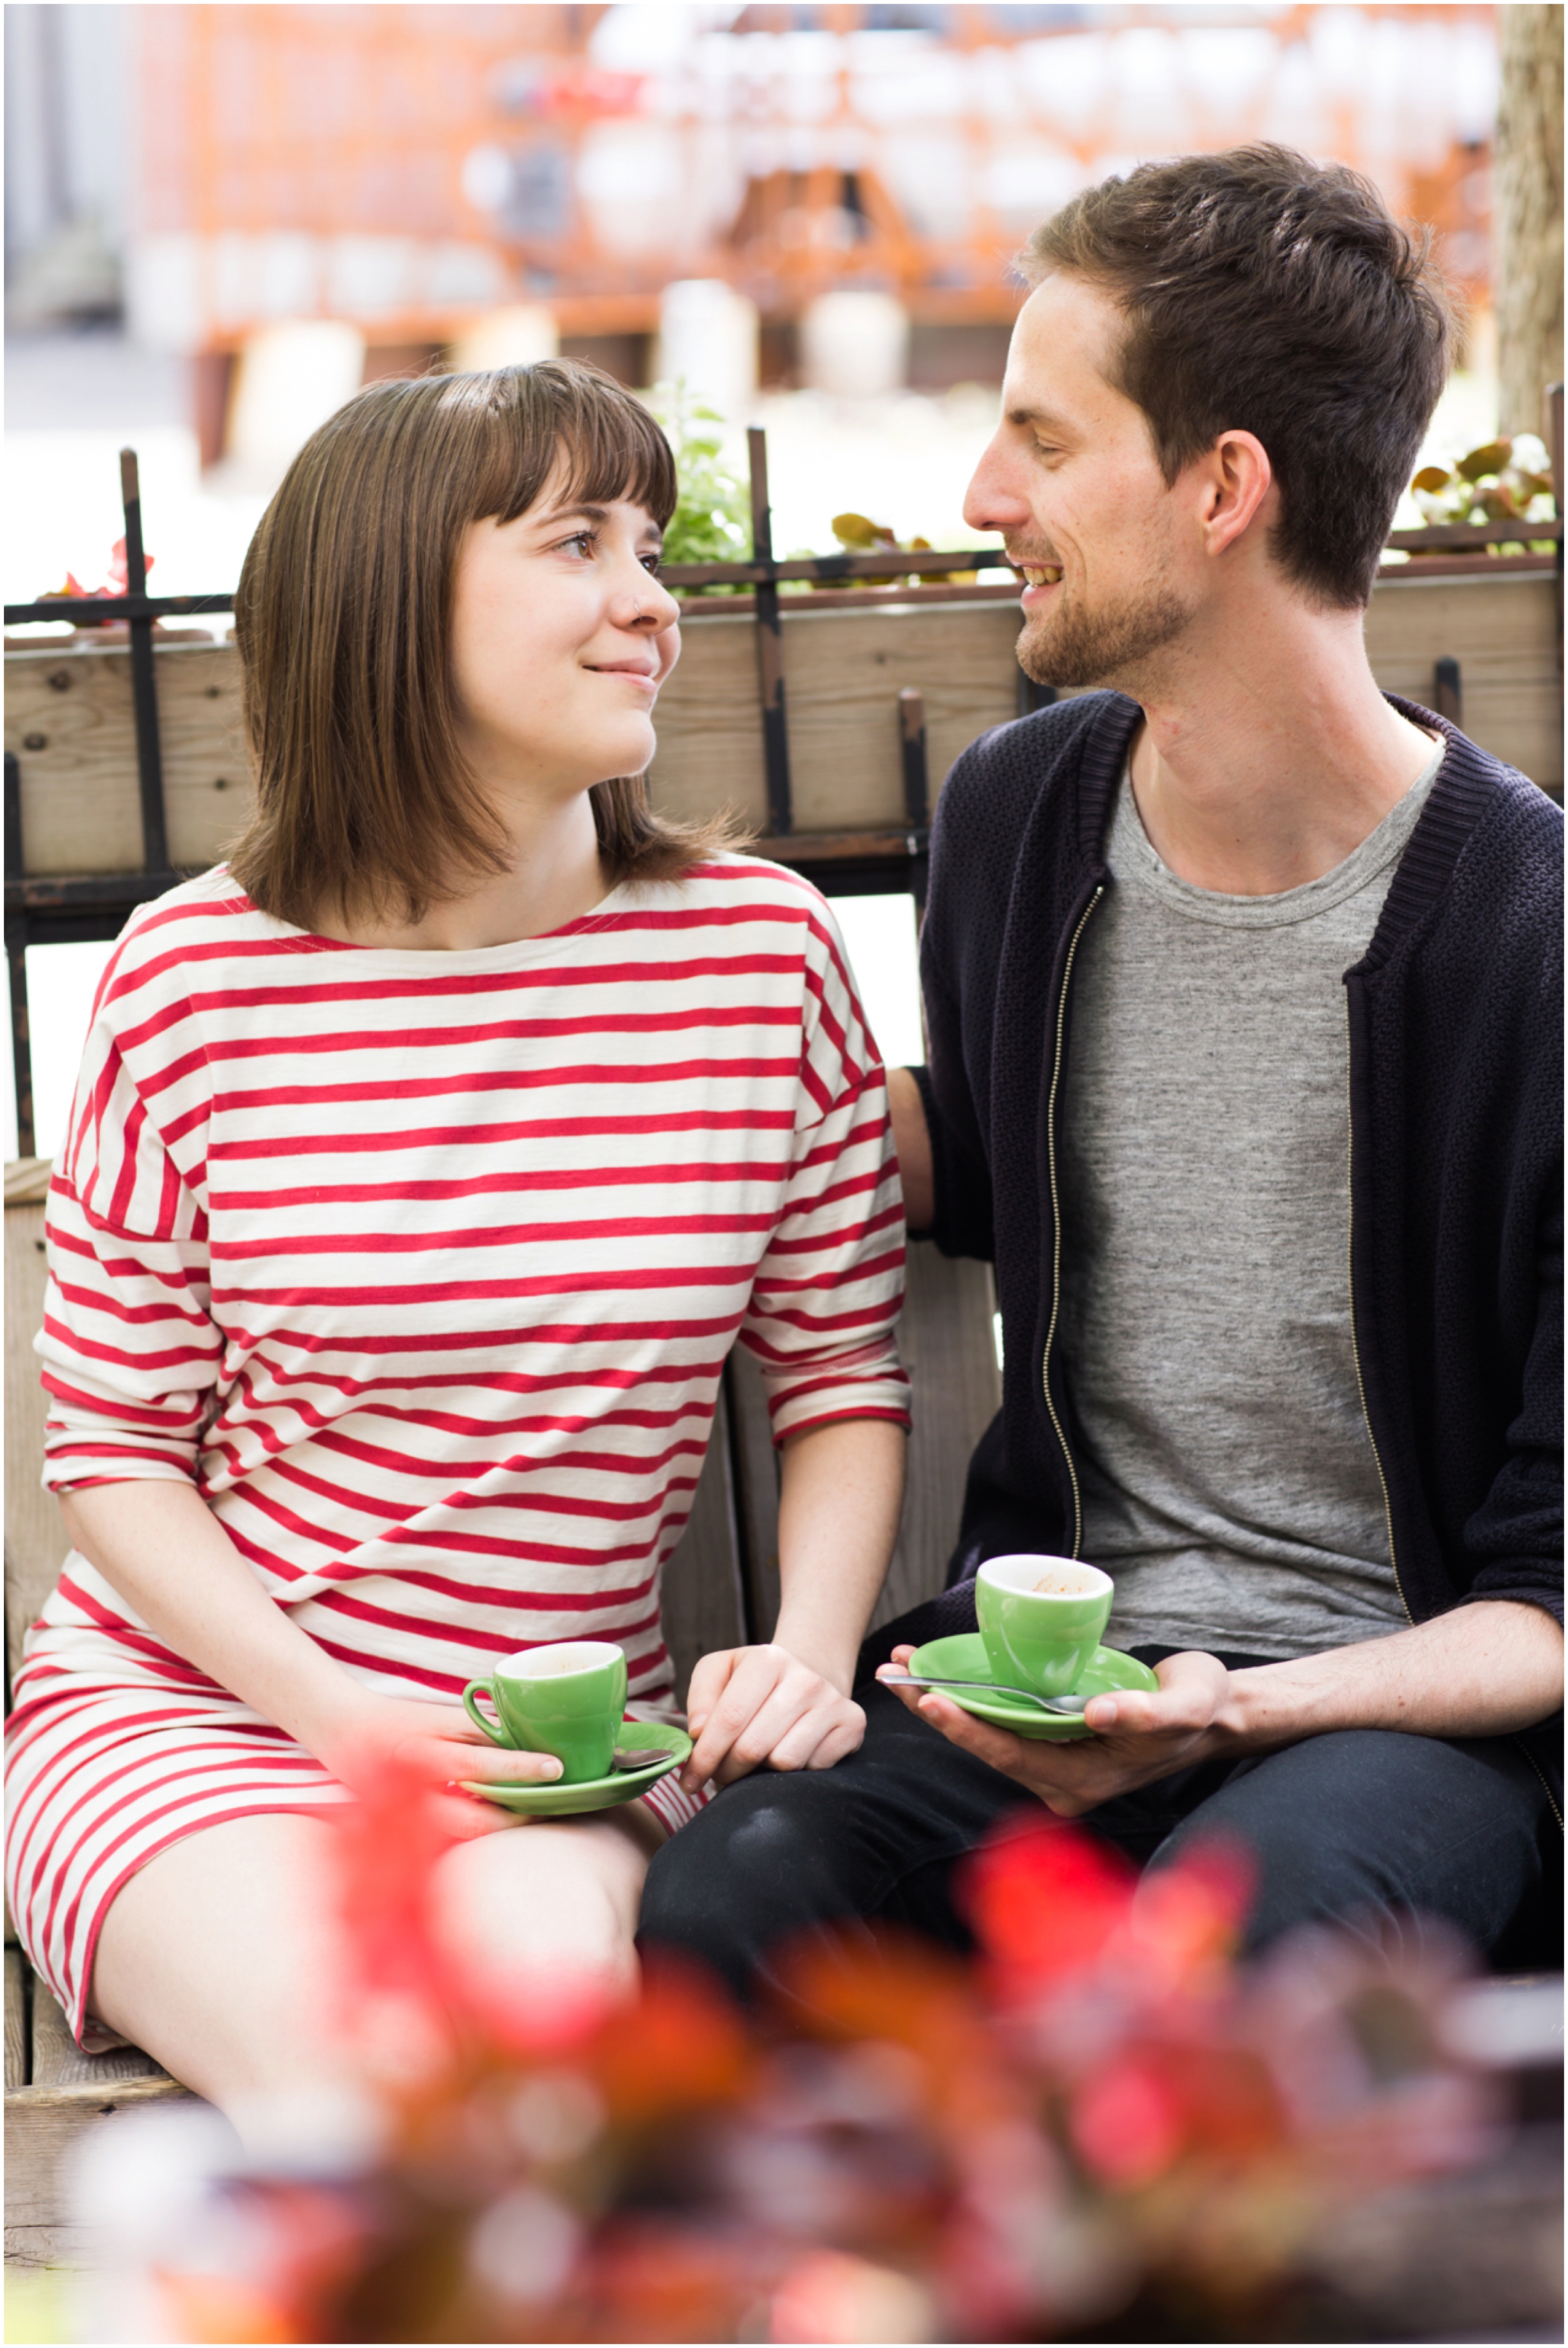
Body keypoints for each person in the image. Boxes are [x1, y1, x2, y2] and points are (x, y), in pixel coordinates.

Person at [638, 146, 1563, 2001]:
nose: (986, 496)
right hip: (1038, 1669)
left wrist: (1236, 1710)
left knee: (1226, 1960)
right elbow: (973, 1159)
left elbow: (1550, 1603)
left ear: (1226, 488)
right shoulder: (1023, 817)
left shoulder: (1528, 932)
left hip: (1393, 1719)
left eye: (1044, 443)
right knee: (730, 1899)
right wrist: (618, 1041)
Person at [4, 361, 909, 2127]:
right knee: (382, 2104)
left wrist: (805, 1650)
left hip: (559, 1747)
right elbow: (114, 1449)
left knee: (532, 2095)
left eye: (650, 545)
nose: (652, 600)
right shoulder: (196, 984)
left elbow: (841, 1371)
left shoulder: (758, 958)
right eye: (579, 542)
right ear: (392, 597)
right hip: (201, 1718)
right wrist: (342, 1713)